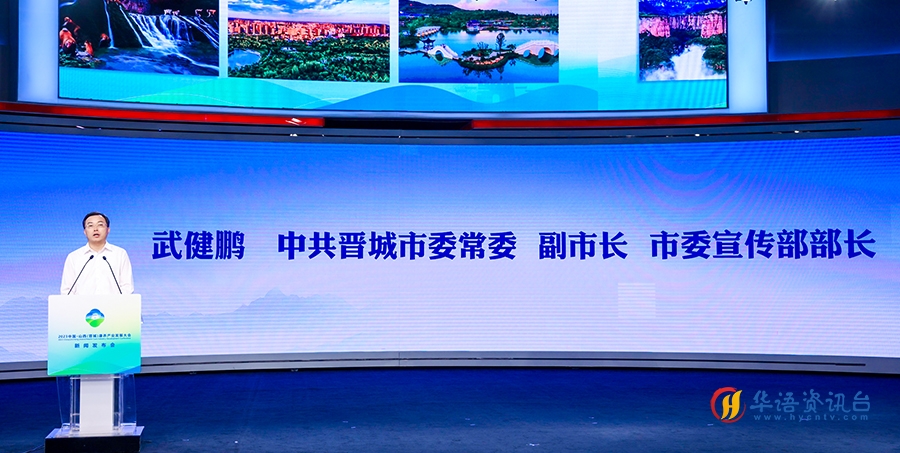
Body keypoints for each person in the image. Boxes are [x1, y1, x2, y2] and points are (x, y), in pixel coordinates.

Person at [61, 212, 134, 295]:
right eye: (90, 226)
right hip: (82, 303)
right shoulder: (74, 257)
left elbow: (127, 287)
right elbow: (67, 290)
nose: (95, 229)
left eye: (100, 225)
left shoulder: (120, 254)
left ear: (108, 230)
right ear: (85, 231)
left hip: (114, 303)